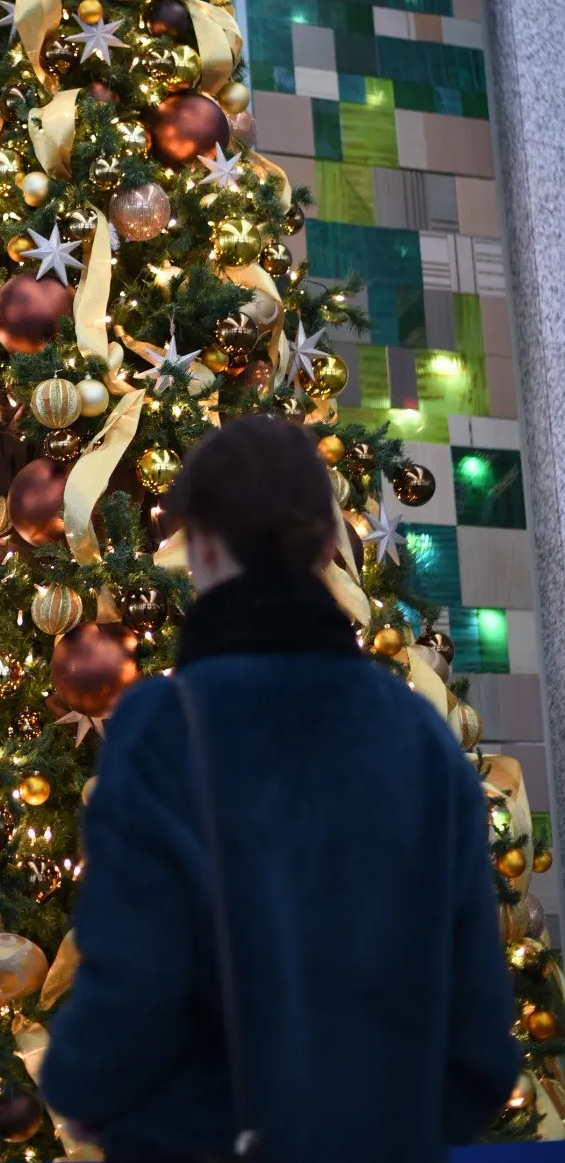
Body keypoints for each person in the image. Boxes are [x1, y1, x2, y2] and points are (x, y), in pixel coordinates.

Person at [40, 413, 519, 1163]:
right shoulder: (420, 738)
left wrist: (86, 1088)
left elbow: (134, 980)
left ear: (201, 546)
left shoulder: (162, 728)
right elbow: (480, 1042)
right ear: (326, 546)